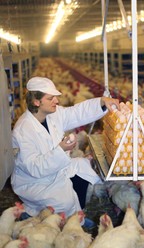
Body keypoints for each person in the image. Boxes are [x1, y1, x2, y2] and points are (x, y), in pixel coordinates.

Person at [11, 76, 120, 228]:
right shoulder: (23, 130)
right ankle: (35, 214)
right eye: (51, 98)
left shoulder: (53, 114)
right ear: (37, 102)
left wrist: (101, 102)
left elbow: (77, 113)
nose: (56, 101)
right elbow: (35, 168)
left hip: (54, 169)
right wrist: (61, 150)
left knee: (85, 167)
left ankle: (77, 216)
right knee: (64, 201)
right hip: (36, 181)